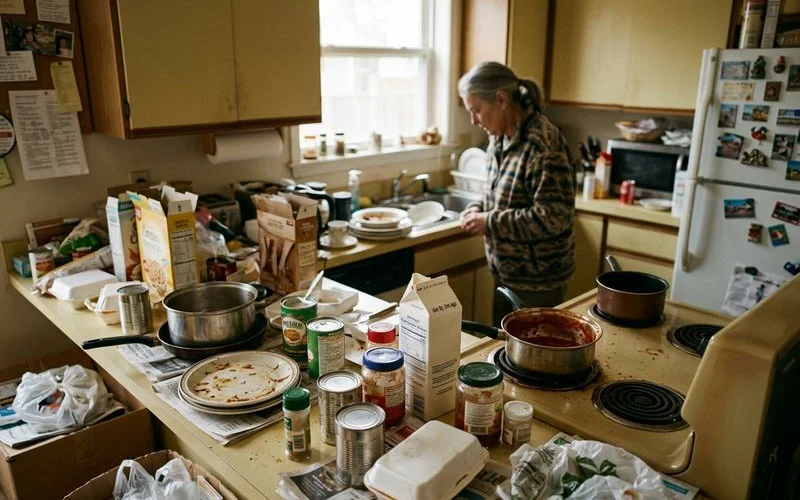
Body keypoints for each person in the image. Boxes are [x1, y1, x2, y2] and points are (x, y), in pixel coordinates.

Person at [458, 61, 576, 325]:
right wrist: (478, 207)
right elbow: (499, 194)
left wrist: (488, 221)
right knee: (507, 353)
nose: (474, 121)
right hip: (506, 272)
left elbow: (553, 217)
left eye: (476, 110)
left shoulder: (544, 146)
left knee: (536, 360)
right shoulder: (498, 138)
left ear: (501, 99)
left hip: (538, 283)